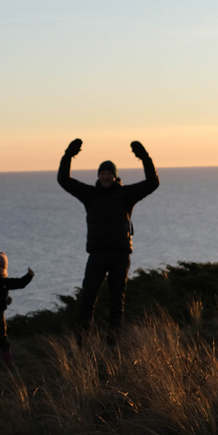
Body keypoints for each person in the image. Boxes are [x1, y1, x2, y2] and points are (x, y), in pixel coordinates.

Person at [57, 138, 159, 343]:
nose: (106, 176)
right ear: (99, 175)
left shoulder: (125, 194)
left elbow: (152, 183)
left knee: (116, 300)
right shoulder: (90, 194)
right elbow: (64, 180)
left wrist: (144, 157)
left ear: (115, 176)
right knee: (88, 298)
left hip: (120, 254)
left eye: (109, 174)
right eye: (103, 173)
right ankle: (82, 341)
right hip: (97, 253)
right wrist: (68, 155)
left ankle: (112, 343)